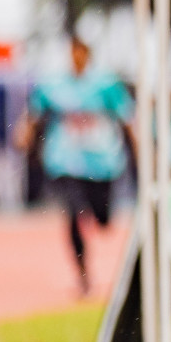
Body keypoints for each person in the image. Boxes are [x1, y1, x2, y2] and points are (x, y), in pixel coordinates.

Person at [20, 37, 134, 295]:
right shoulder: (55, 85)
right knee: (72, 213)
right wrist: (25, 134)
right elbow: (34, 113)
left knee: (103, 219)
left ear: (87, 55)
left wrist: (140, 150)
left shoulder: (106, 85)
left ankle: (99, 216)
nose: (76, 59)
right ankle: (83, 273)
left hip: (102, 163)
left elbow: (127, 117)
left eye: (80, 54)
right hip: (66, 162)